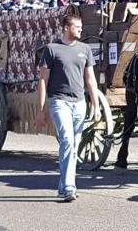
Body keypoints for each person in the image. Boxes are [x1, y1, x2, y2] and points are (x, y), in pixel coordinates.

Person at [36, 13, 102, 202]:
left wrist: (96, 106)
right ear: (66, 28)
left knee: (74, 147)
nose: (81, 30)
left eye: (81, 27)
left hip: (79, 102)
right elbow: (43, 80)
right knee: (67, 140)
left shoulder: (85, 49)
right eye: (77, 27)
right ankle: (69, 187)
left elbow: (90, 80)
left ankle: (63, 186)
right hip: (59, 101)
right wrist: (41, 110)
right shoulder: (51, 49)